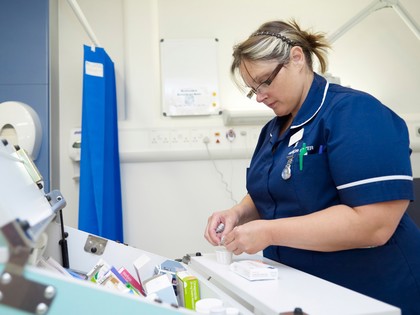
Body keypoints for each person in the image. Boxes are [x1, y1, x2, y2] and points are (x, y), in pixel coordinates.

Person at [204, 19, 420, 314]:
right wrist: (237, 213)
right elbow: (272, 189)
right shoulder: (274, 129)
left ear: (296, 58)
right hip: (304, 287)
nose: (261, 96)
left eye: (265, 81)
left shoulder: (355, 113)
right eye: (253, 89)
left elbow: (375, 224)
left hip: (373, 290)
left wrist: (269, 232)